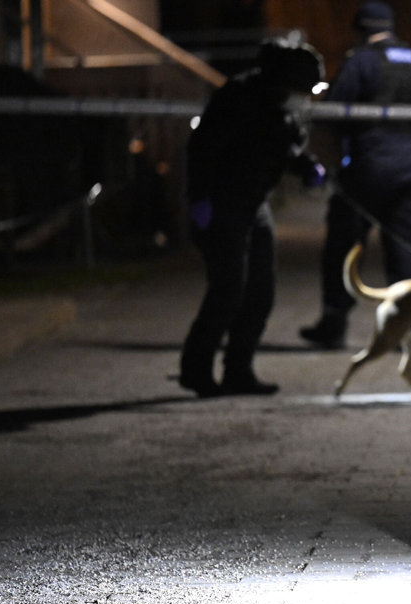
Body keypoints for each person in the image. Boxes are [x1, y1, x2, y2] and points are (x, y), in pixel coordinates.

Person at [179, 38, 328, 398]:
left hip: (255, 206)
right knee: (228, 288)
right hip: (223, 205)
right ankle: (197, 371)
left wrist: (307, 167)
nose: (305, 97)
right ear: (283, 80)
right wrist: (201, 201)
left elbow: (284, 146)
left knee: (261, 292)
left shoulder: (281, 105)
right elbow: (202, 152)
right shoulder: (238, 100)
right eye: (302, 89)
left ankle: (238, 371)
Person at [299, 1, 411, 349]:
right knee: (403, 244)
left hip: (367, 165)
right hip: (410, 163)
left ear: (360, 29)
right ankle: (408, 324)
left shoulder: (361, 61)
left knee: (344, 243)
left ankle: (334, 320)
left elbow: (336, 111)